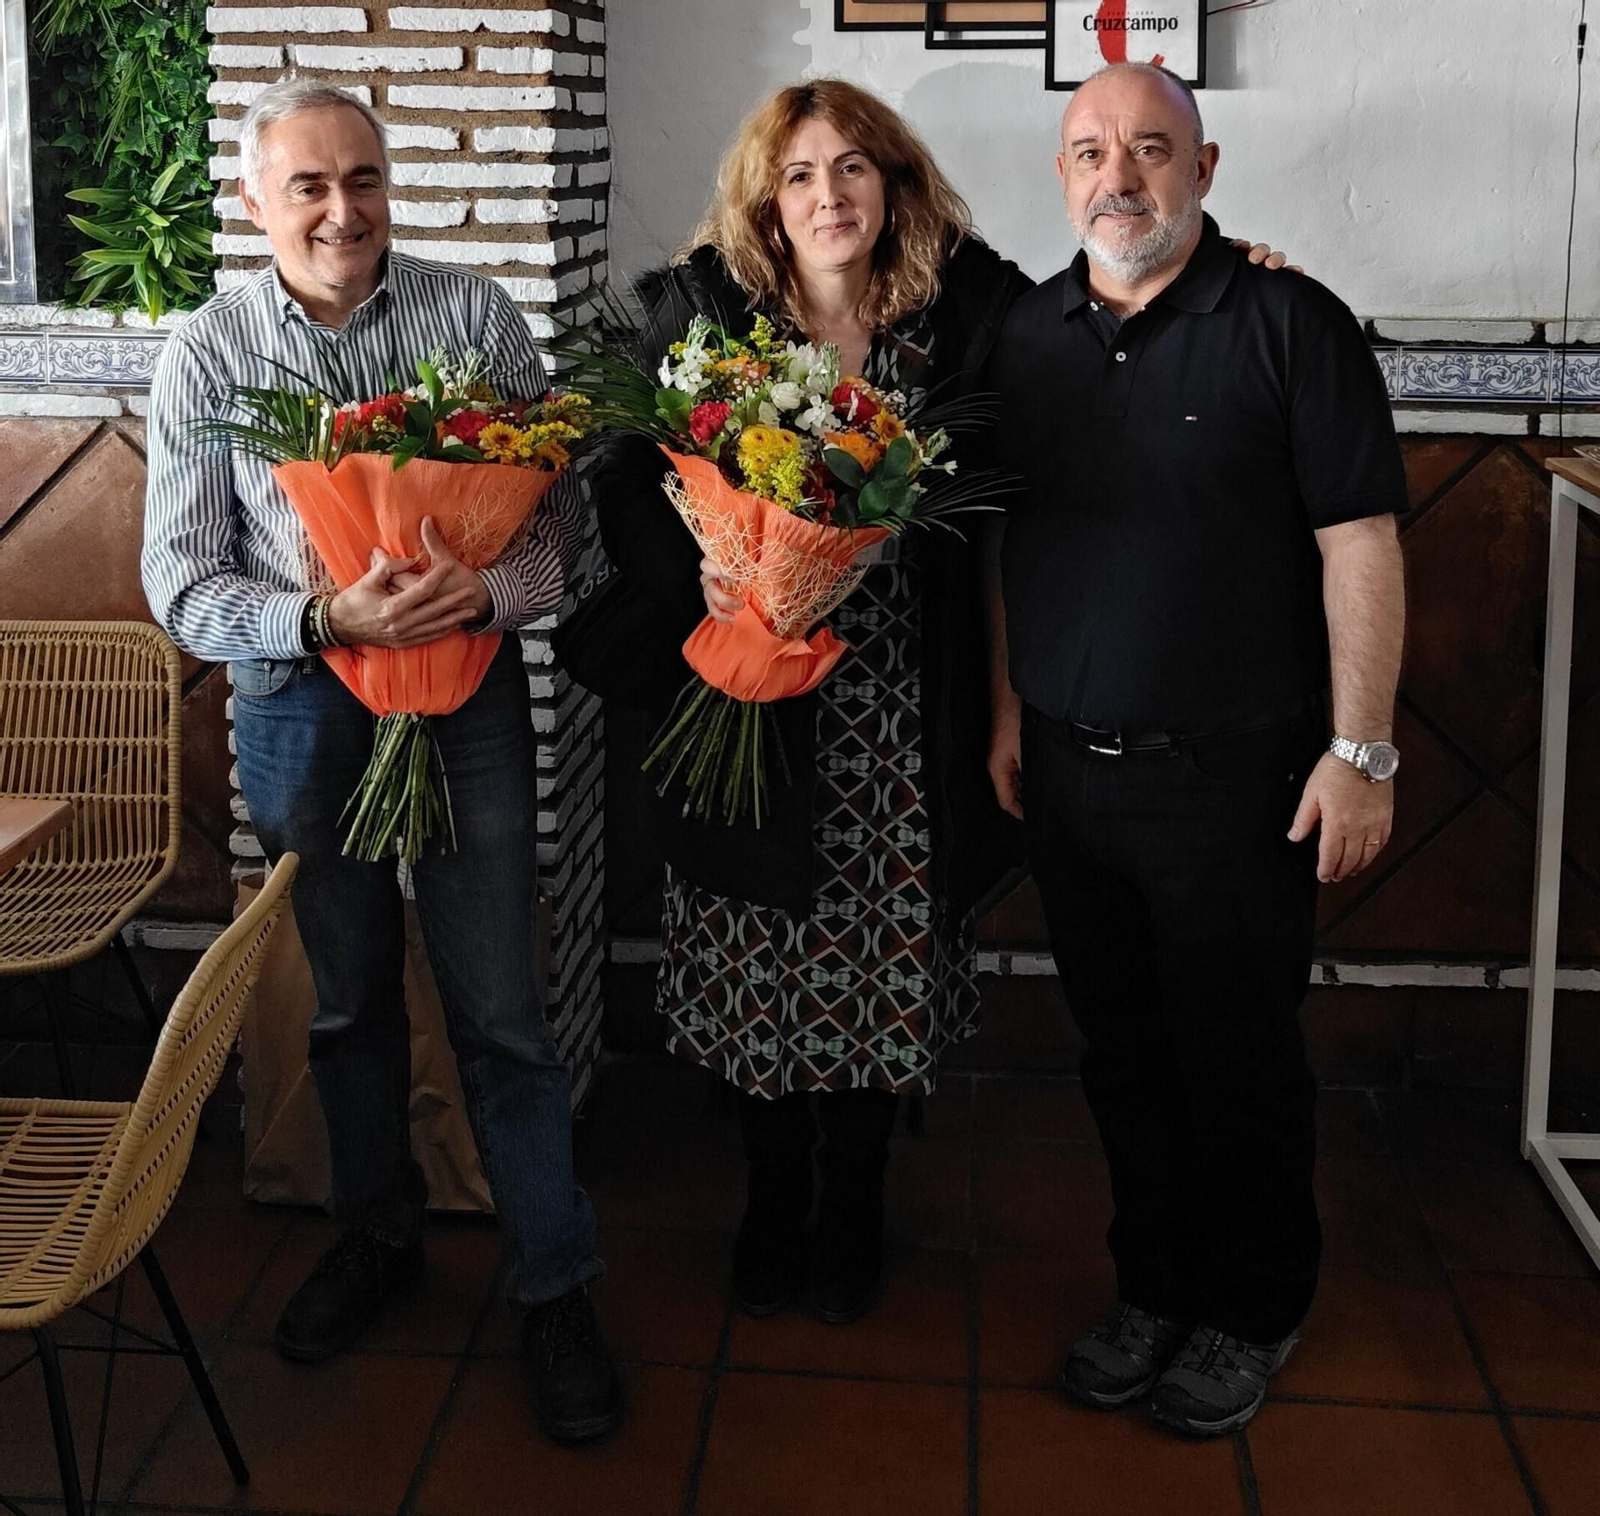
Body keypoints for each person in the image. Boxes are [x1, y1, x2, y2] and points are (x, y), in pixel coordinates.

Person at [562, 78, 1289, 1327]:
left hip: (903, 706)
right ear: (765, 201)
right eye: (799, 174)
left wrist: (1226, 276)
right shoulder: (702, 312)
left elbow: (1098, 312)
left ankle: (853, 1197)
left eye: (854, 167)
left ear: (895, 185)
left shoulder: (965, 307)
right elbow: (623, 468)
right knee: (751, 956)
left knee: (877, 960)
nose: (828, 195)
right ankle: (771, 1195)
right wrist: (705, 577)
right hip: (747, 698)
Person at [141, 79, 621, 1444]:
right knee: (345, 999)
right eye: (309, 185)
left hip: (465, 696)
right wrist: (321, 618)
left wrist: (492, 591)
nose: (343, 210)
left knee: (503, 1008)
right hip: (301, 702)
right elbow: (180, 583)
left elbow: (563, 524)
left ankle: (554, 1280)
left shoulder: (474, 316)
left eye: (363, 178)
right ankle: (376, 1233)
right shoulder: (208, 353)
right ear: (255, 200)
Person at [984, 63, 1407, 1437]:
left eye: (1152, 150)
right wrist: (1009, 712)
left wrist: (1362, 752)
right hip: (1067, 772)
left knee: (1237, 1060)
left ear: (1205, 169)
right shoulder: (1025, 334)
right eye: (1091, 152)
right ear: (1061, 176)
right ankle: (1155, 1288)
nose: (1120, 178)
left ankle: (1254, 1305)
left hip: (1237, 781)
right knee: (1121, 1056)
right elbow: (1007, 544)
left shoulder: (1290, 321)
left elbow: (1360, 544)